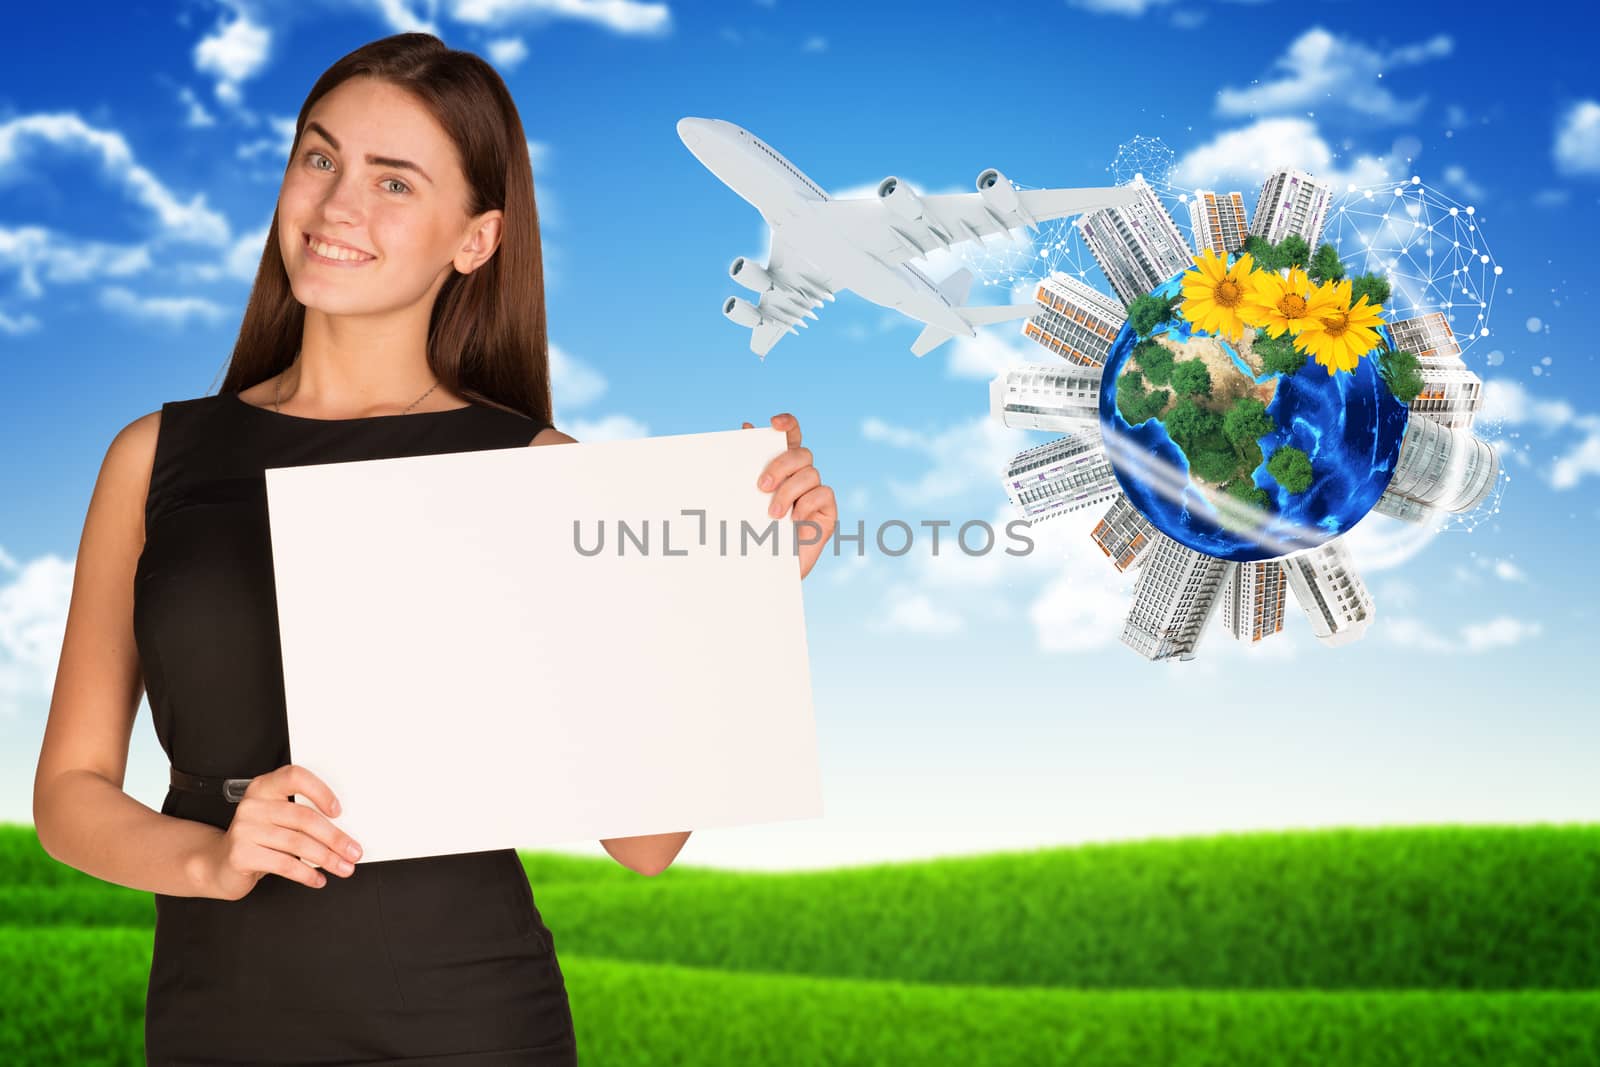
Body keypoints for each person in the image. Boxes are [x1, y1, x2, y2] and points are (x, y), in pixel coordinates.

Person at [31, 32, 837, 1065]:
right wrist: (210, 859)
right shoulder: (153, 457)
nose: (336, 207)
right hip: (216, 1013)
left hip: (469, 1019)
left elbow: (641, 843)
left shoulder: (540, 469)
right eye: (318, 158)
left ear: (476, 238)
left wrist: (742, 594)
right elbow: (70, 793)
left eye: (394, 182)